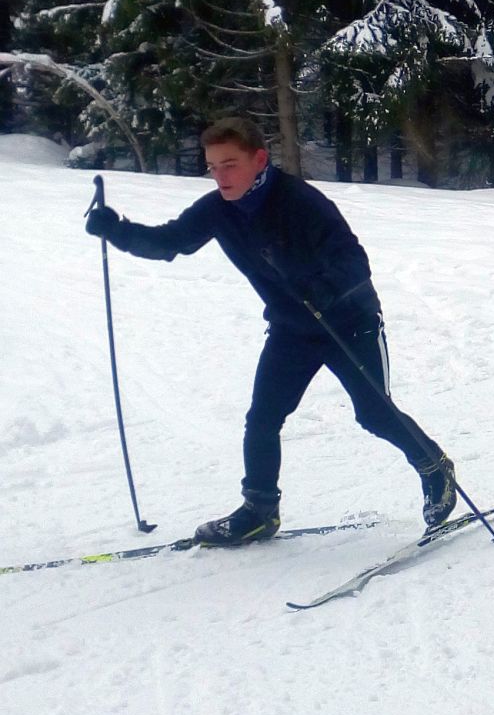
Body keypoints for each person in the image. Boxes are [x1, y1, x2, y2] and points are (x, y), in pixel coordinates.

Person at [84, 115, 457, 546]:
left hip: (349, 322)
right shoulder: (217, 209)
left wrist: (323, 290)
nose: (221, 176)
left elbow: (354, 262)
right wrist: (116, 231)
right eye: (213, 167)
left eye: (230, 165)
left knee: (373, 412)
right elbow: (170, 242)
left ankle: (435, 468)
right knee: (262, 418)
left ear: (259, 159)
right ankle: (259, 511)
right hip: (292, 327)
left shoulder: (301, 202)